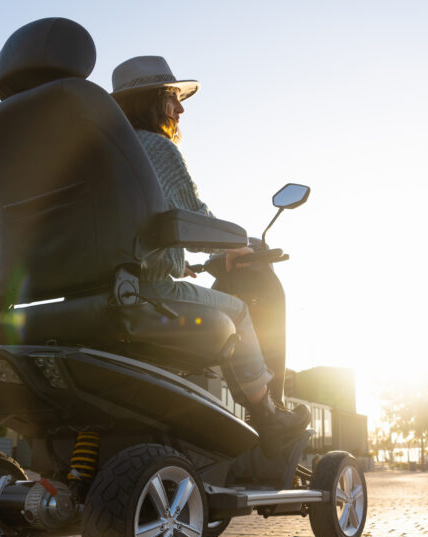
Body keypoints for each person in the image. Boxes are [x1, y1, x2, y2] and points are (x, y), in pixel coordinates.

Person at [111, 56, 307, 456]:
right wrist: (239, 245)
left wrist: (176, 259)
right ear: (149, 101)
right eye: (171, 98)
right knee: (236, 311)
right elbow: (192, 218)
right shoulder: (155, 147)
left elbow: (129, 228)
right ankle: (268, 415)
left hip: (103, 286)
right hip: (146, 291)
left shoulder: (106, 155)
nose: (180, 108)